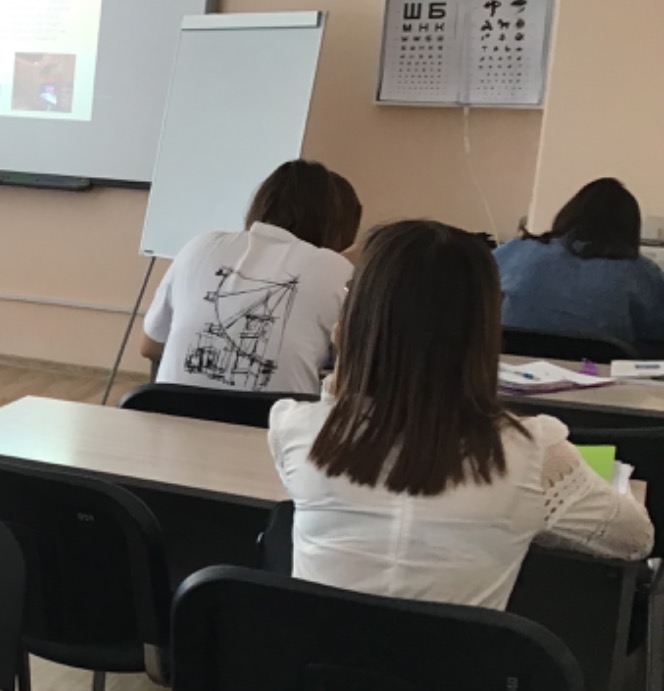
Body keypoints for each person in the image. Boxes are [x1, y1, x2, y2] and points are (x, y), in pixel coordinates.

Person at [271, 218, 652, 610]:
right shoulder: (533, 455)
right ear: (484, 329)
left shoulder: (295, 429)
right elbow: (635, 540)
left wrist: (346, 365)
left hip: (317, 651)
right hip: (460, 652)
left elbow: (346, 424)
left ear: (353, 322)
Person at [140, 159, 362, 394]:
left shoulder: (200, 246)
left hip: (171, 412)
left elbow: (150, 346)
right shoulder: (335, 268)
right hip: (273, 417)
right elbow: (359, 371)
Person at [494, 177, 664, 346]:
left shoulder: (516, 251)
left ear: (568, 215)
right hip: (597, 362)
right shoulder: (642, 274)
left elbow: (481, 296)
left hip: (510, 358)